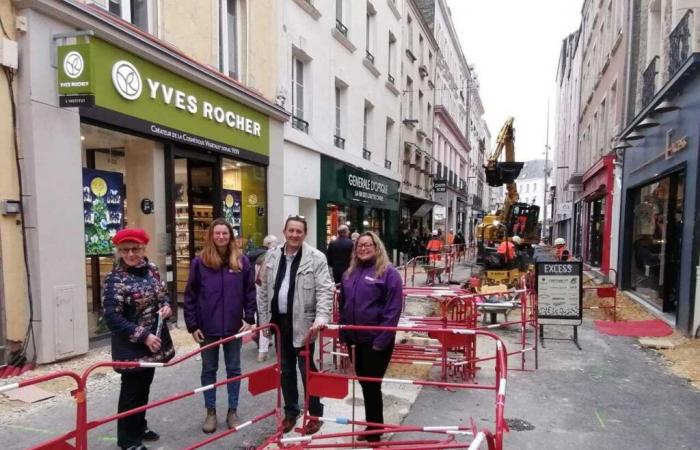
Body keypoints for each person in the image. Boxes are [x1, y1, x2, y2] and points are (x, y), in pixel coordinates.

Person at [257, 215, 334, 435]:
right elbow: (262, 290)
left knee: (307, 370)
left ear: (305, 234)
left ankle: (315, 414)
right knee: (286, 370)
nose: (294, 235)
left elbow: (325, 290)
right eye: (291, 230)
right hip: (280, 323)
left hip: (304, 324)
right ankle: (292, 412)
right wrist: (263, 322)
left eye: (299, 231)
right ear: (284, 232)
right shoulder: (271, 255)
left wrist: (321, 318)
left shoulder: (316, 258)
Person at [103, 228, 175, 450]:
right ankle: (128, 440)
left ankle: (139, 427)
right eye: (125, 250)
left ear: (143, 249)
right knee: (131, 392)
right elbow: (112, 317)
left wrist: (166, 306)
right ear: (119, 251)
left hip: (153, 343)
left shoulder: (152, 269)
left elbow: (161, 295)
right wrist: (143, 336)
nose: (131, 254)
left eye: (135, 249)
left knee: (145, 386)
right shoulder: (115, 279)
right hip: (132, 346)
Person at [184, 218, 257, 434]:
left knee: (234, 369)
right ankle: (211, 412)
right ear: (211, 236)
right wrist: (192, 325)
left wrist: (249, 318)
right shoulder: (200, 262)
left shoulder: (241, 261)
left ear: (230, 236)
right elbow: (190, 295)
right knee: (209, 370)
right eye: (217, 233)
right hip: (207, 329)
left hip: (234, 328)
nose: (221, 237)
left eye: (225, 233)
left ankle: (232, 410)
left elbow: (249, 291)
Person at [338, 232, 403, 442]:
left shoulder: (388, 273)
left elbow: (392, 310)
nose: (364, 248)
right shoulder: (349, 273)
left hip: (376, 340)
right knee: (365, 382)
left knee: (372, 384)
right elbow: (344, 305)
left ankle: (375, 431)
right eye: (360, 245)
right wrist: (343, 331)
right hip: (354, 339)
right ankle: (373, 425)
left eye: (368, 245)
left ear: (377, 247)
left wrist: (381, 341)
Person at [255, 234, 279, 362]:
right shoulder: (270, 257)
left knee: (263, 320)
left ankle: (262, 351)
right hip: (268, 294)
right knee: (268, 321)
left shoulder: (255, 256)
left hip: (258, 293)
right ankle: (263, 352)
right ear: (270, 244)